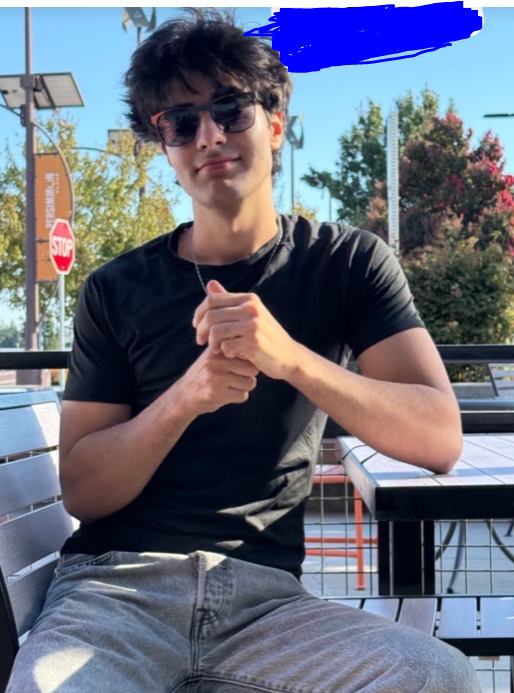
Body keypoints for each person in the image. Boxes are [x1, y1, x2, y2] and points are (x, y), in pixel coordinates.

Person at [7, 9, 481, 693]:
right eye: (180, 121)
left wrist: (291, 358)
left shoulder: (347, 263)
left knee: (434, 675)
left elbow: (438, 438)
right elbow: (86, 491)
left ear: (276, 124)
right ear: (165, 146)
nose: (209, 135)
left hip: (267, 604)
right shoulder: (116, 289)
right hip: (112, 593)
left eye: (230, 109)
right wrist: (185, 398)